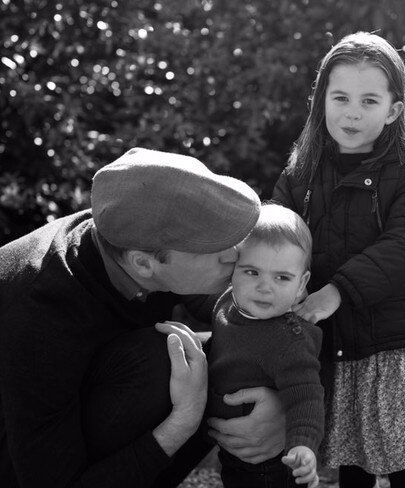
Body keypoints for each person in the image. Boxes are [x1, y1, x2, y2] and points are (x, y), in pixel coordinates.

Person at [0, 147, 286, 488]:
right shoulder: (41, 311)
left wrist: (283, 402)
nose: (235, 255)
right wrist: (184, 419)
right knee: (164, 358)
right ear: (143, 264)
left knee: (238, 357)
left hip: (76, 413)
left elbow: (267, 325)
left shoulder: (135, 232)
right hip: (25, 458)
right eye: (213, 248)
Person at [272, 32, 405, 488]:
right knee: (350, 459)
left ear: (393, 109)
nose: (352, 111)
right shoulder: (301, 172)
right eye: (339, 97)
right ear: (321, 102)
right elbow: (276, 236)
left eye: (369, 100)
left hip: (395, 343)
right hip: (335, 341)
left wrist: (336, 291)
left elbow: (403, 247)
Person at [191, 203, 323, 488]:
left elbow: (307, 397)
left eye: (282, 277)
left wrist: (303, 446)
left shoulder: (288, 341)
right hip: (234, 449)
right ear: (233, 270)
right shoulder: (228, 303)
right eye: (252, 272)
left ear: (302, 285)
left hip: (271, 463)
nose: (265, 287)